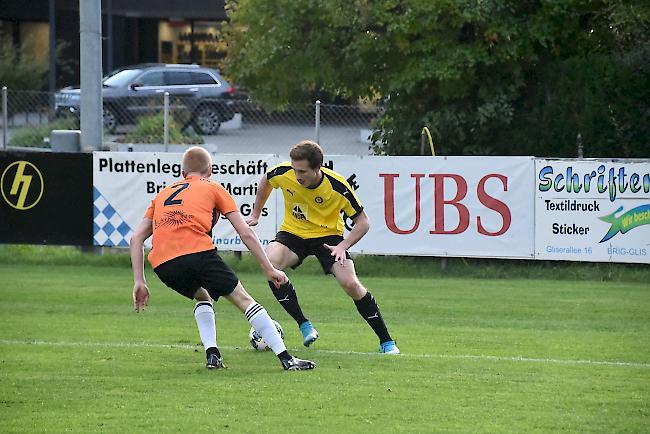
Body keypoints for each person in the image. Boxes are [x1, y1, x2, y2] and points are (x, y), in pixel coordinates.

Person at [130, 146, 315, 371]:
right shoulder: (214, 188)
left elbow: (136, 239)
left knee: (203, 296)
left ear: (182, 173)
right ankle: (287, 359)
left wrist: (140, 281)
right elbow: (245, 232)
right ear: (210, 169)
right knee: (244, 301)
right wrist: (269, 268)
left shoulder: (163, 194)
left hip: (164, 264)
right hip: (198, 253)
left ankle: (213, 355)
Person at [246, 140, 400, 354]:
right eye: (294, 169)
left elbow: (363, 222)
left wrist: (343, 246)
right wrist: (256, 213)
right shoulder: (284, 173)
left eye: (302, 171)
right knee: (270, 264)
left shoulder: (337, 186)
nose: (297, 176)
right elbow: (267, 180)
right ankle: (304, 325)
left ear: (317, 168)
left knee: (351, 285)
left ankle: (387, 342)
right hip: (293, 233)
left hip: (329, 237)